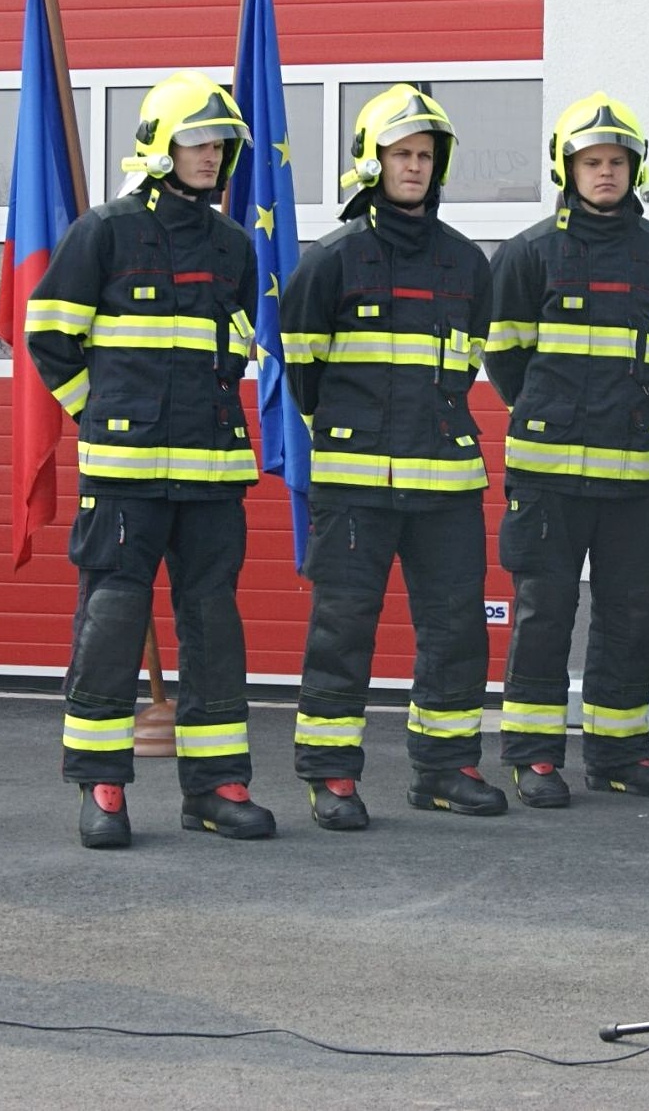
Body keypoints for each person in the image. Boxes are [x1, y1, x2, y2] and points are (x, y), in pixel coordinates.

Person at [26, 71, 275, 849]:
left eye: (221, 142)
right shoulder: (103, 232)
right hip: (125, 480)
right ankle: (101, 786)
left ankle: (217, 786)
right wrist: (96, 417)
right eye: (199, 140)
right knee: (110, 625)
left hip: (211, 480)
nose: (212, 154)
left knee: (214, 628)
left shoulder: (234, 244)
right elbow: (48, 336)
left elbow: (232, 349)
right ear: (159, 146)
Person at [280, 83, 504, 829]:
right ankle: (331, 775)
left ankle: (444, 768)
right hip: (354, 487)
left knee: (454, 627)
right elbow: (301, 373)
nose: (414, 167)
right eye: (401, 154)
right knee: (342, 629)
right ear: (369, 163)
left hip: (444, 484)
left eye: (425, 156)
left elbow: (468, 365)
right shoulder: (334, 259)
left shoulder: (467, 263)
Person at [483, 92, 649, 808]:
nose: (605, 173)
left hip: (634, 475)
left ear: (636, 169)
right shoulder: (527, 253)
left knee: (632, 616)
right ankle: (534, 756)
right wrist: (551, 418)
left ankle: (617, 753)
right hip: (544, 478)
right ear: (565, 169)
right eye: (591, 161)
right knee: (544, 614)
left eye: (616, 162)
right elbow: (505, 362)